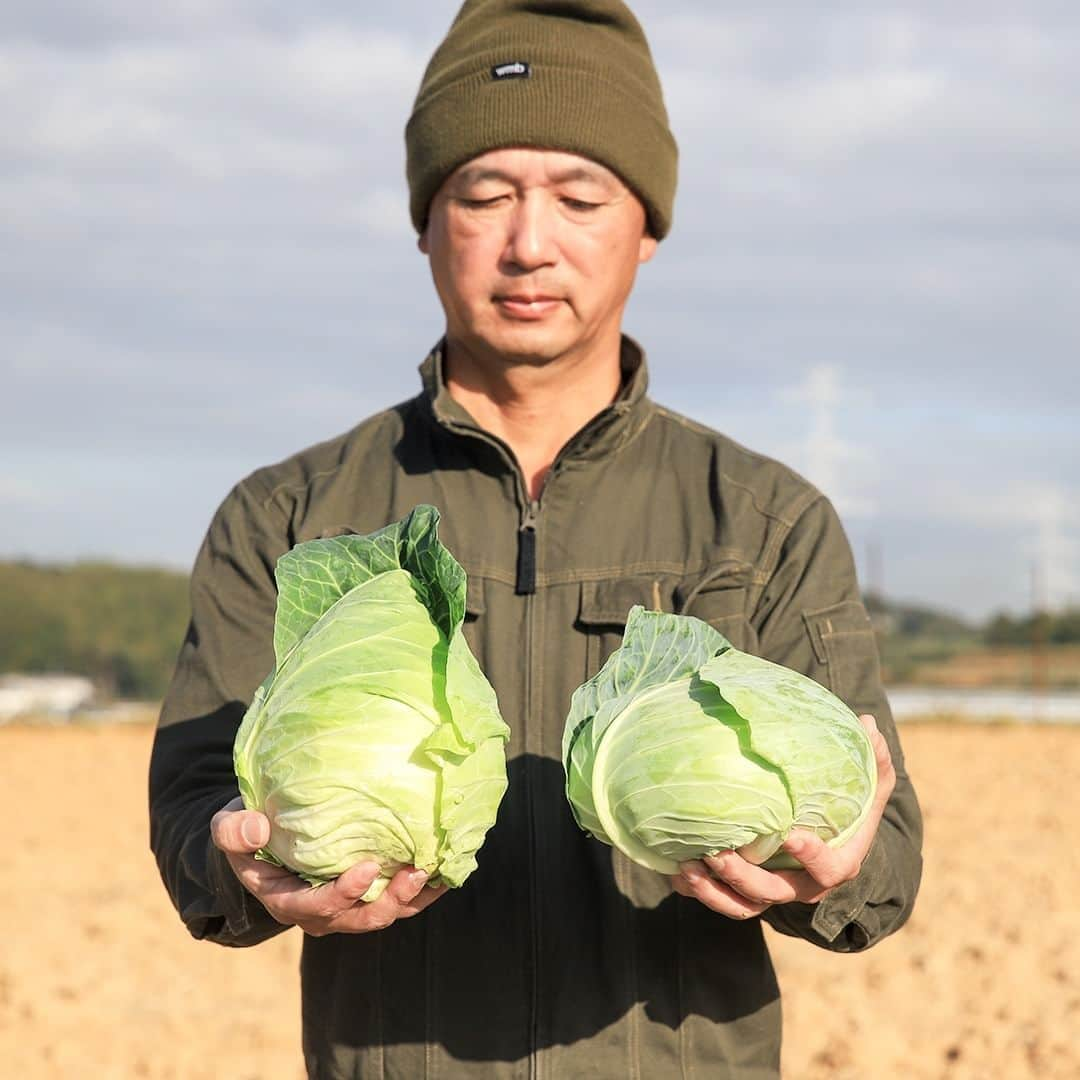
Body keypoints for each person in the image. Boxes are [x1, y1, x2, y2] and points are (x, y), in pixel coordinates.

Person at [149, 1, 923, 1076]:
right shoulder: (288, 513)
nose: (528, 242)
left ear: (646, 227)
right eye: (484, 192)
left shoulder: (763, 518)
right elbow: (195, 808)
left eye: (579, 195)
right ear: (425, 221)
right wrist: (240, 869)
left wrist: (833, 872)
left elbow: (883, 850)